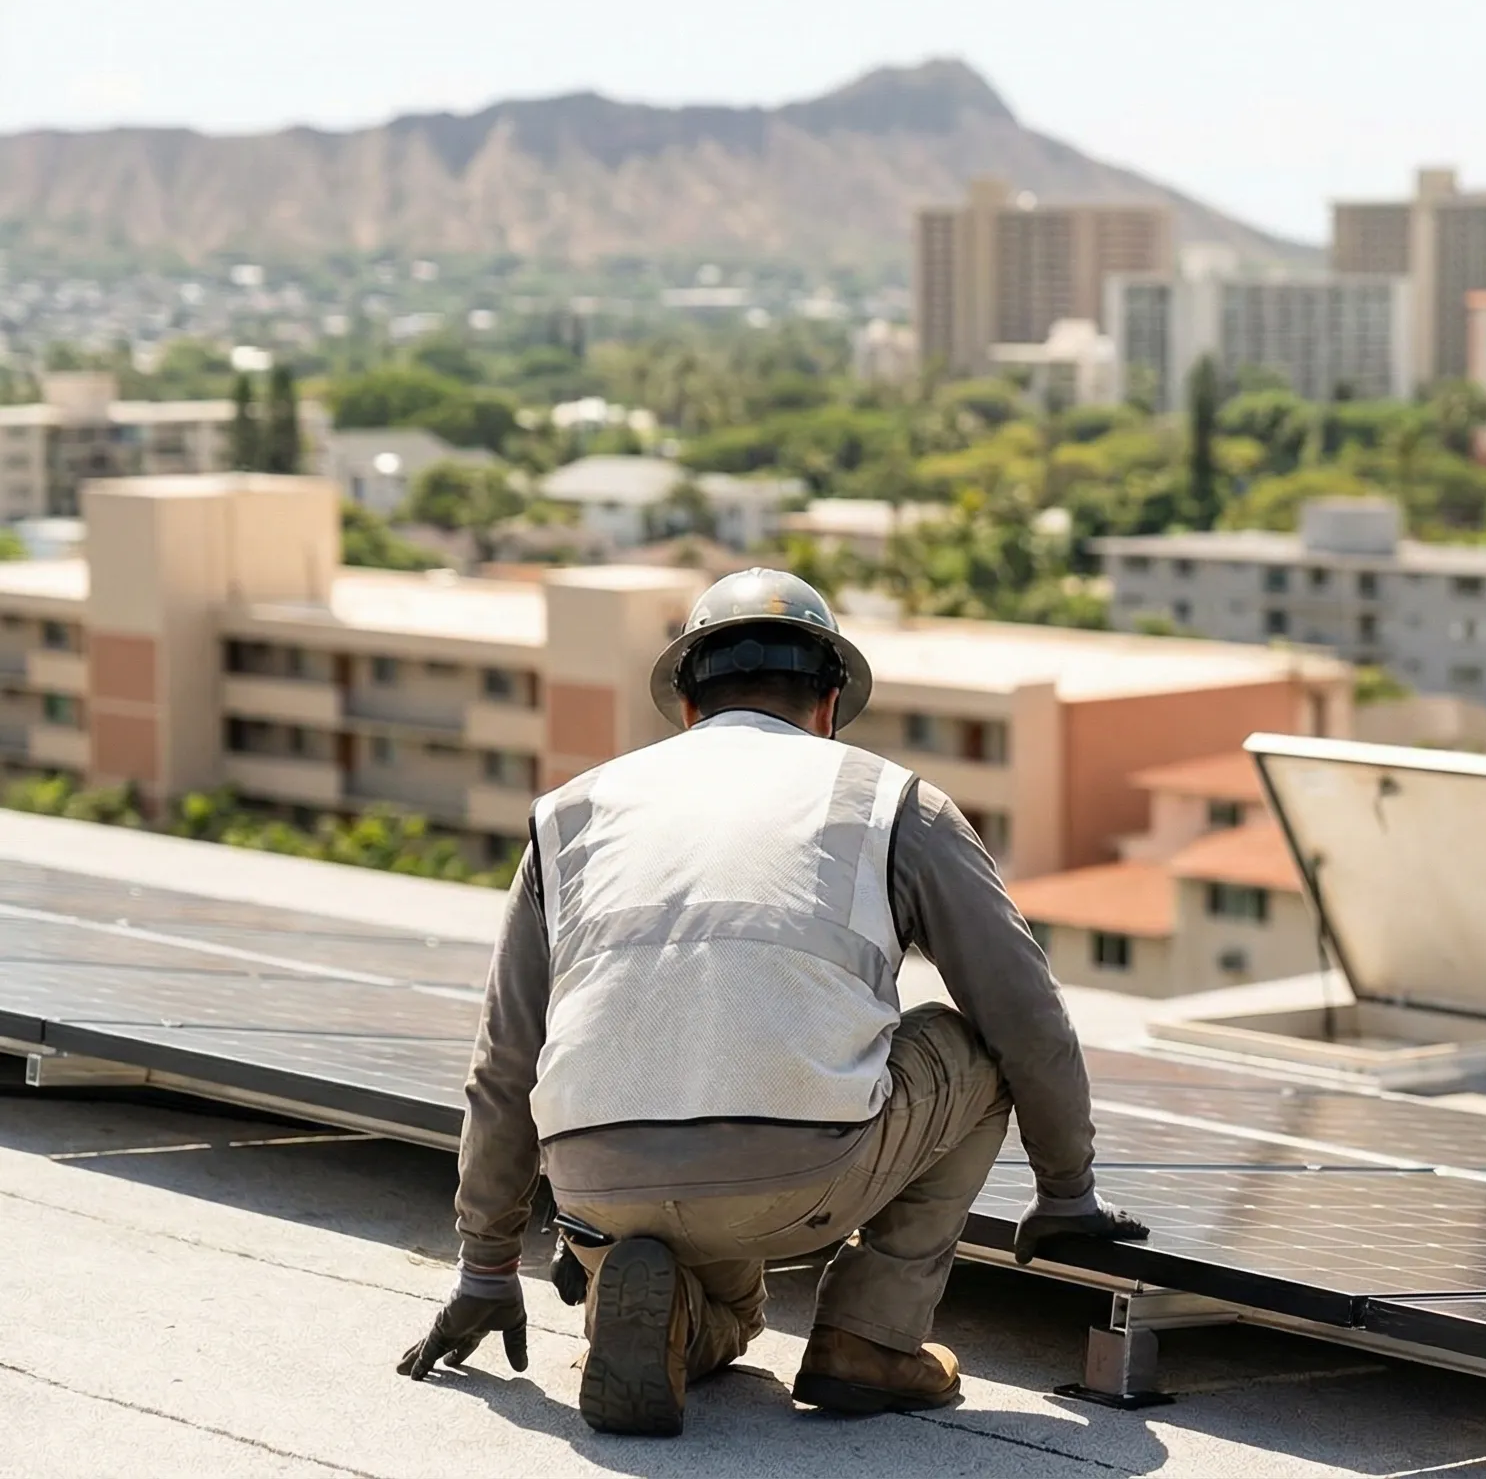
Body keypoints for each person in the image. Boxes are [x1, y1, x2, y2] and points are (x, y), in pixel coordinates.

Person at [396, 569, 1147, 1436]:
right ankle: (869, 1336)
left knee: (721, 1294)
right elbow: (1028, 1015)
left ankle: (667, 1311)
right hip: (799, 1179)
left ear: (687, 706)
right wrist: (1066, 1191)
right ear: (829, 702)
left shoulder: (568, 812)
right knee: (974, 1041)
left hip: (598, 1185)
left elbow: (504, 1064)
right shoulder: (889, 801)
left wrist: (487, 1268)